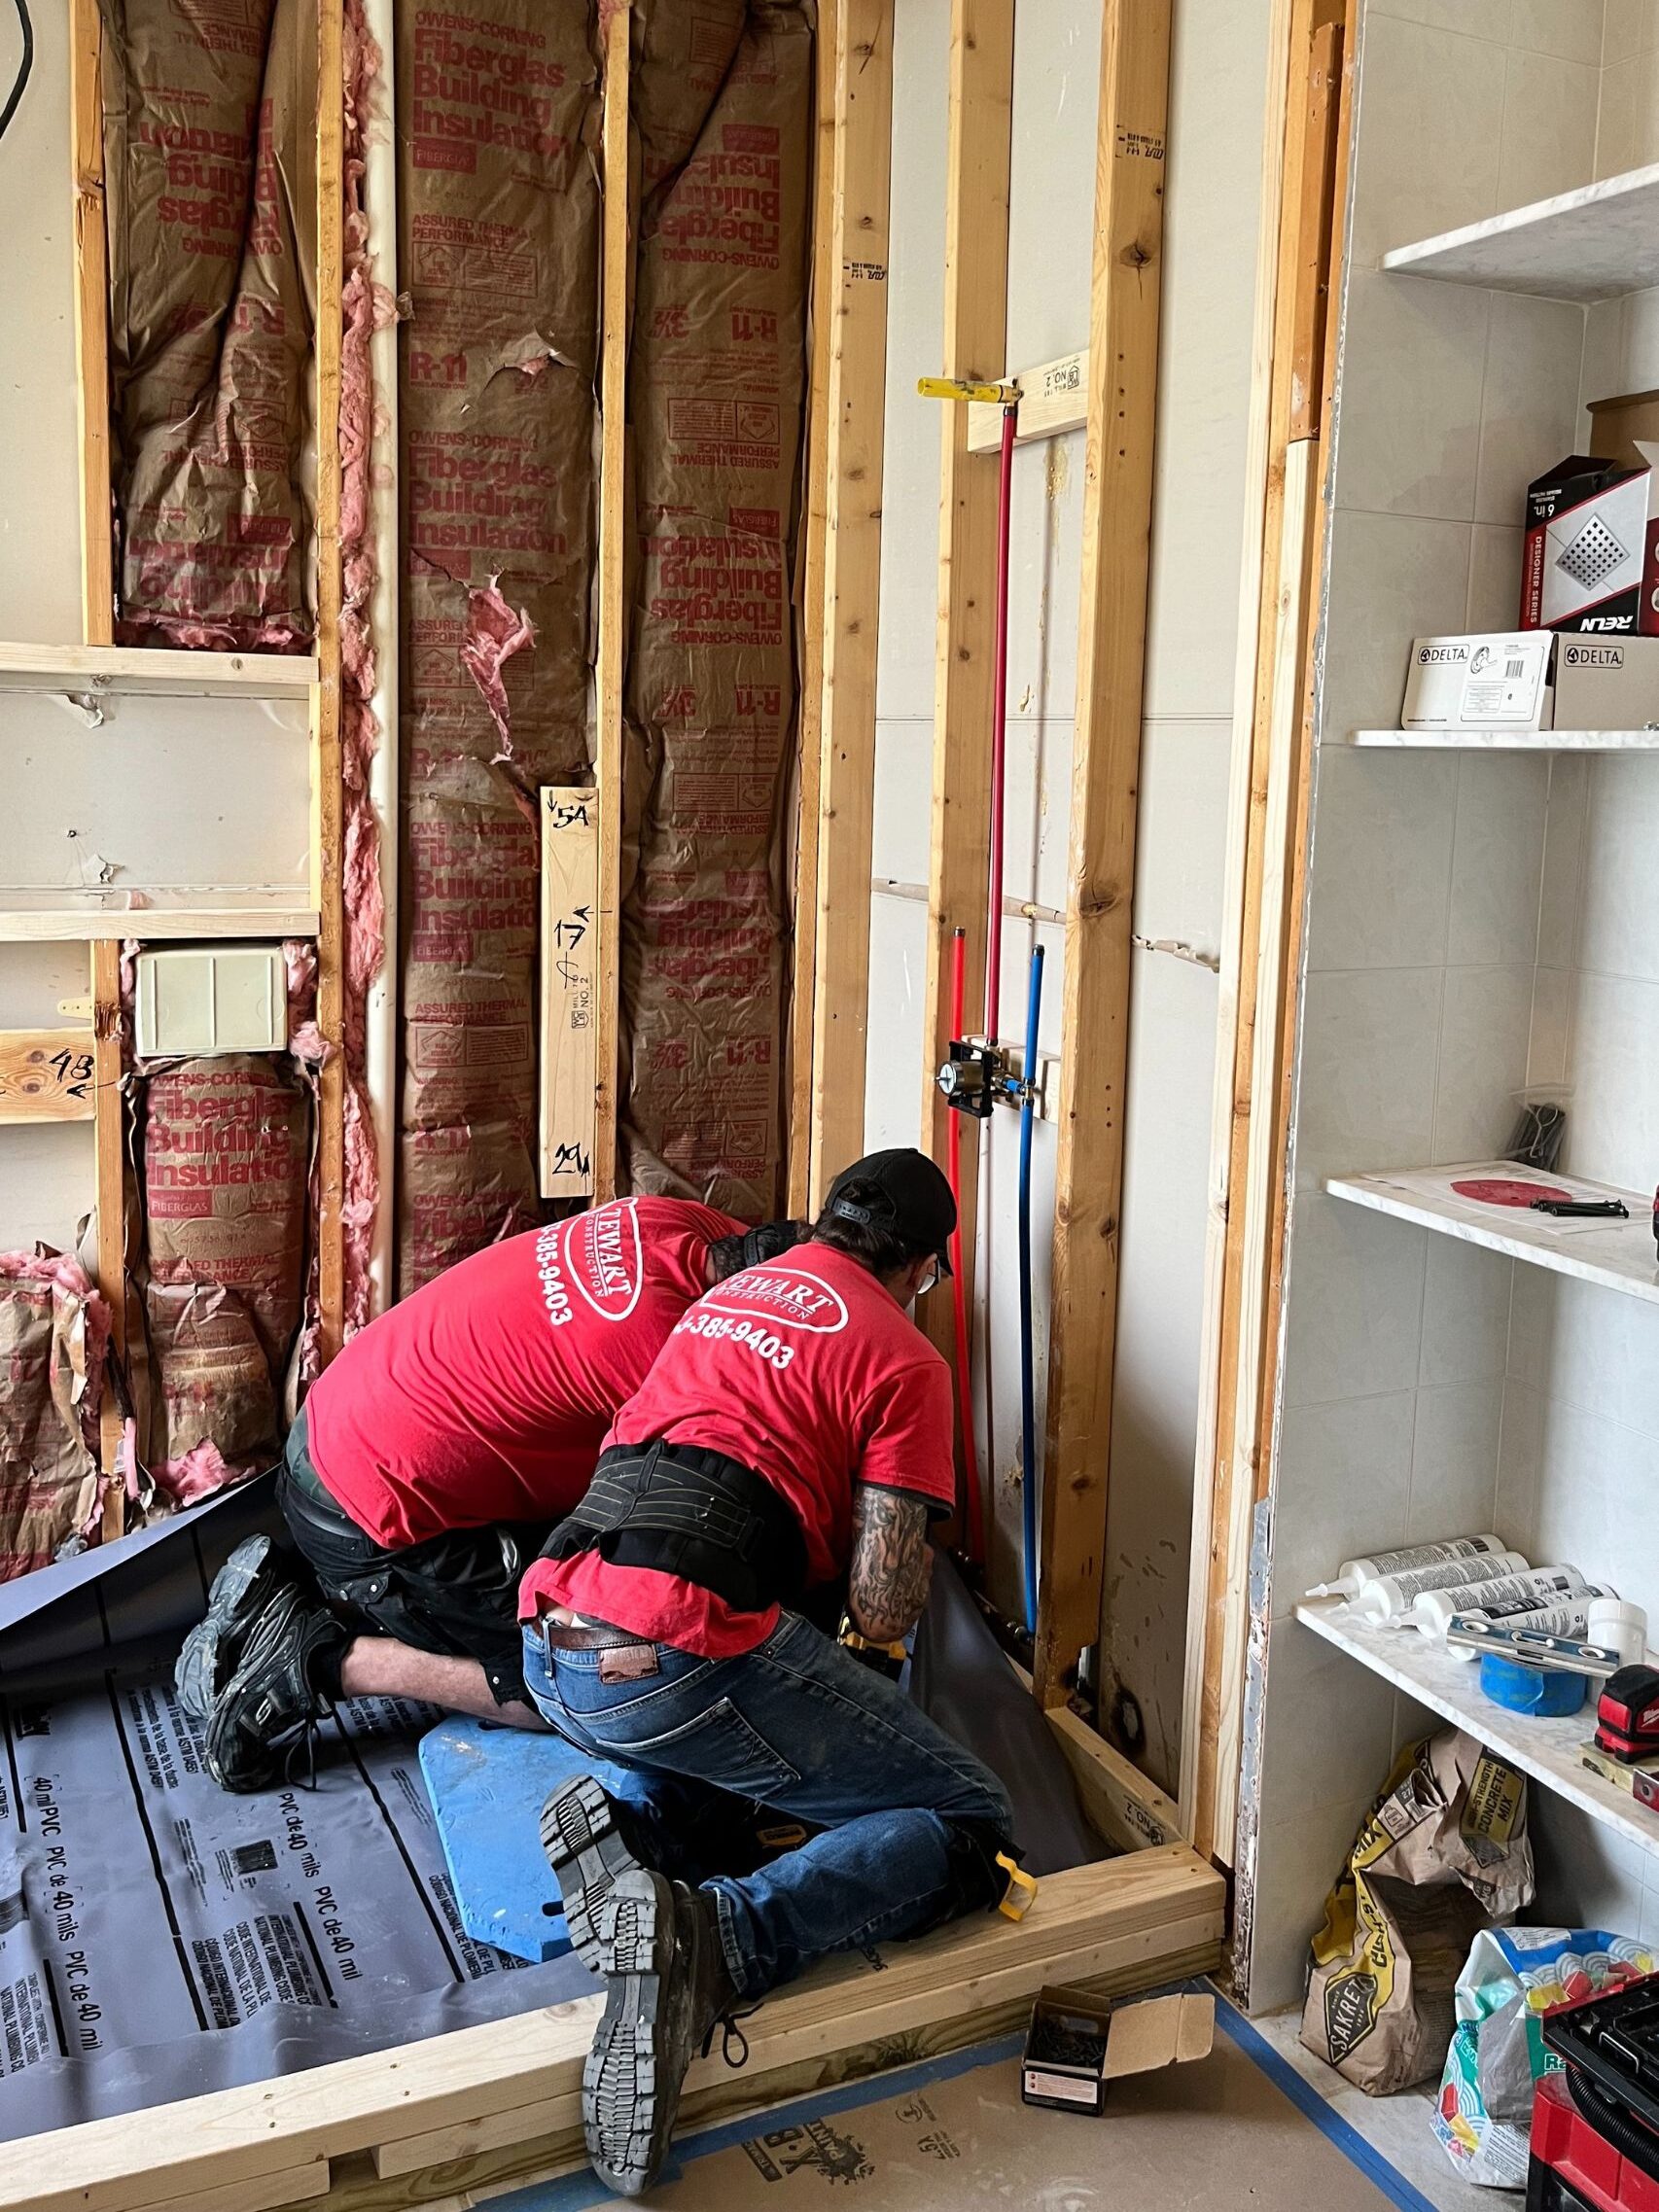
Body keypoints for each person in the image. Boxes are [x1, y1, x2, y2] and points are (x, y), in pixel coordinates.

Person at [519, 1148, 1019, 2199]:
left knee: (748, 1753)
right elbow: (881, 1608)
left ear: (824, 1220)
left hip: (552, 1642)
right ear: (927, 1268)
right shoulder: (903, 1356)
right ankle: (711, 1943)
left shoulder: (726, 1293)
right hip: (672, 1656)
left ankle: (642, 1842)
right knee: (966, 1818)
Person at [179, 1197, 803, 1792]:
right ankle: (322, 1657)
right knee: (592, 1683)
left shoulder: (685, 1224)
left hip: (331, 1439)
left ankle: (297, 1595)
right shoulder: (674, 1362)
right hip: (369, 1519)